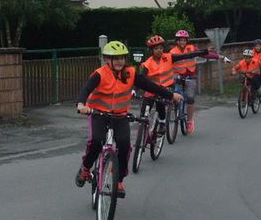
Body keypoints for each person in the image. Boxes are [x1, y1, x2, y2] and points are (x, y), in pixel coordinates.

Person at [75, 41, 183, 197]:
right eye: (115, 58)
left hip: (120, 115)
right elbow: (86, 89)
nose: (119, 61)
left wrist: (171, 95)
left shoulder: (130, 73)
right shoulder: (100, 74)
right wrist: (81, 104)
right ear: (106, 59)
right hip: (98, 114)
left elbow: (149, 86)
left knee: (125, 145)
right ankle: (85, 169)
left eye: (122, 58)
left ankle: (118, 180)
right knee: (96, 141)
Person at [139, 34, 219, 131]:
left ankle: (162, 123)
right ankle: (142, 132)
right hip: (152, 90)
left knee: (161, 106)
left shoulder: (168, 57)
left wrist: (204, 51)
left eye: (161, 48)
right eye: (156, 49)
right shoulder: (147, 64)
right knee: (144, 112)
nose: (159, 50)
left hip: (166, 88)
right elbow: (140, 79)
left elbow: (187, 55)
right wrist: (135, 90)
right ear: (151, 51)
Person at [169, 30, 202, 134]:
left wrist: (218, 56)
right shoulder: (172, 52)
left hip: (190, 76)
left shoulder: (191, 48)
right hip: (178, 76)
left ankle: (189, 121)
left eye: (184, 40)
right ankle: (177, 109)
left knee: (190, 98)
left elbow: (203, 54)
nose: (182, 42)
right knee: (176, 96)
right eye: (180, 40)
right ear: (177, 41)